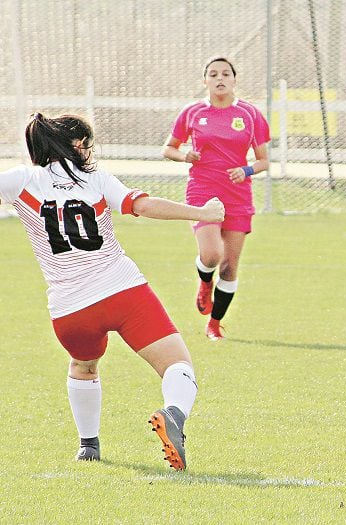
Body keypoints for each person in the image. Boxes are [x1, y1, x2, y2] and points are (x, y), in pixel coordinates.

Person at [0, 113, 225, 470]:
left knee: (83, 367)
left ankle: (88, 446)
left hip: (71, 309)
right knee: (177, 365)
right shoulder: (96, 180)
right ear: (76, 145)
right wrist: (203, 212)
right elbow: (143, 205)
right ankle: (175, 415)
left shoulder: (22, 180)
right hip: (123, 291)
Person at [162, 56, 270, 341]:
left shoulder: (250, 114)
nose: (219, 78)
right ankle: (204, 281)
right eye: (213, 74)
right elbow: (168, 148)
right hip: (202, 190)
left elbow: (263, 161)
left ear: (234, 79)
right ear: (205, 81)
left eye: (225, 73)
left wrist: (245, 170)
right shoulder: (193, 112)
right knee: (211, 255)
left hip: (237, 195)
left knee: (230, 266)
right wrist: (185, 154)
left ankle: (214, 324)